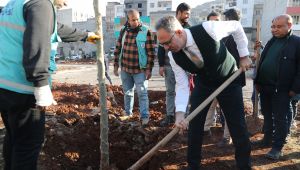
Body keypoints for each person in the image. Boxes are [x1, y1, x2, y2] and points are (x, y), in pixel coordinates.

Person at [0, 0, 100, 169]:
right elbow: (37, 44)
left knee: (15, 138)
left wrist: (84, 35)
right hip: (24, 90)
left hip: (5, 86)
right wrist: (41, 84)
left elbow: (53, 29)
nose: (66, 2)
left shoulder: (16, 3)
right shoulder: (41, 4)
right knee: (27, 146)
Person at [156, 16, 252, 170]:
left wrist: (244, 55)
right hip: (204, 83)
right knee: (194, 125)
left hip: (228, 79)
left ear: (179, 32)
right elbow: (182, 85)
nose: (166, 47)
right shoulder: (173, 56)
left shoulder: (208, 29)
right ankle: (193, 165)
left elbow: (236, 26)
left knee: (237, 126)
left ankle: (244, 165)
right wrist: (180, 113)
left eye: (168, 42)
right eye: (162, 45)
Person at [254, 14, 300, 159]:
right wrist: (258, 81)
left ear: (289, 26)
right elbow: (267, 60)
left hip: (282, 89)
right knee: (267, 114)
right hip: (265, 86)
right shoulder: (271, 41)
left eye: (279, 27)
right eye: (273, 26)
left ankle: (277, 147)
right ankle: (267, 139)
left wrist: (294, 89)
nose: (275, 29)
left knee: (281, 118)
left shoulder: (296, 42)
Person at [113, 9, 156, 125]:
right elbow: (118, 49)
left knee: (142, 93)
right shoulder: (123, 31)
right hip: (126, 69)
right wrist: (116, 65)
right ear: (128, 20)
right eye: (133, 20)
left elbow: (151, 52)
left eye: (137, 19)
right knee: (127, 92)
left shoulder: (146, 31)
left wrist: (149, 69)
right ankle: (128, 113)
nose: (136, 22)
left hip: (140, 70)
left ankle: (145, 116)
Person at [158, 3, 191, 126]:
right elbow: (161, 47)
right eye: (186, 13)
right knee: (170, 91)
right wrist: (161, 65)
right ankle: (170, 115)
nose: (188, 16)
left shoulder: (188, 28)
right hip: (168, 65)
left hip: (185, 66)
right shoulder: (167, 26)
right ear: (179, 12)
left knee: (185, 89)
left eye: (189, 13)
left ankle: (185, 116)